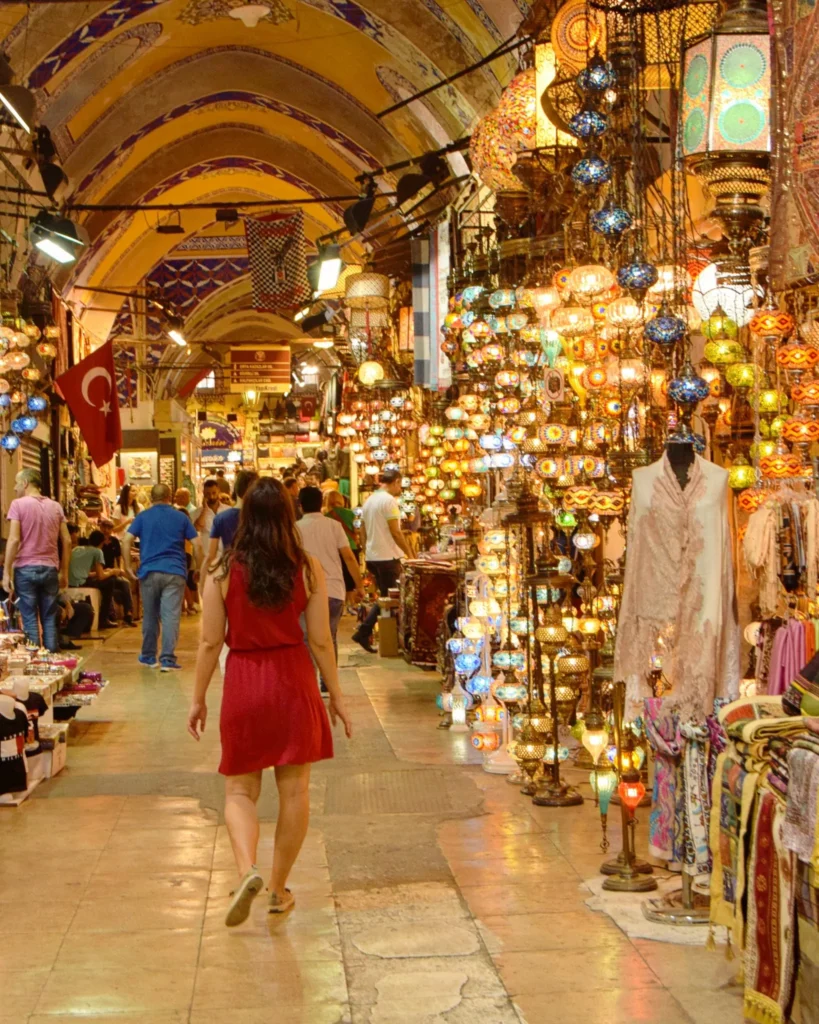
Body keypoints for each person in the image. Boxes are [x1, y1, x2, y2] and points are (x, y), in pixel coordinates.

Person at [187, 477, 352, 925]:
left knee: (240, 789)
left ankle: (247, 872)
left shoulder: (222, 571)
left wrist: (198, 698)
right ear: (287, 513)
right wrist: (336, 697)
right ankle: (278, 888)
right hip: (293, 680)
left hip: (244, 680)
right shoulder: (307, 568)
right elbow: (320, 641)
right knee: (294, 790)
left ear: (244, 514)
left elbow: (208, 643)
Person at [123, 484, 199, 671]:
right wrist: (198, 568)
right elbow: (197, 544)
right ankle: (167, 659)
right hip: (175, 572)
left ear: (151, 497)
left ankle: (149, 656)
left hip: (149, 572)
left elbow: (126, 540)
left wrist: (126, 566)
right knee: (170, 616)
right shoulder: (181, 517)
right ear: (170, 497)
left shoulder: (143, 517)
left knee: (150, 615)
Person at [297, 486, 364, 682]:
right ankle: (328, 681)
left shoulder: (295, 529)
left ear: (300, 506)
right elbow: (349, 558)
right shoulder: (334, 526)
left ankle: (310, 680)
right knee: (329, 636)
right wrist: (359, 585)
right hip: (333, 590)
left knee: (308, 638)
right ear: (321, 504)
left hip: (306, 592)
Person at [3, 469, 70, 652]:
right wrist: (64, 571)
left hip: (25, 569)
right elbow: (67, 540)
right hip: (50, 569)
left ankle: (35, 663)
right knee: (49, 617)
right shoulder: (56, 506)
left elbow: (14, 539)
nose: (16, 487)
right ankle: (52, 663)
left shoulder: (18, 505)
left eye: (17, 483)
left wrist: (7, 571)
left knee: (30, 618)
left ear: (25, 483)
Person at [352, 469, 412, 654]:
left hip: (373, 556)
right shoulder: (389, 501)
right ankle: (365, 631)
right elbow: (395, 532)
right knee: (390, 597)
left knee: (385, 597)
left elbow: (361, 529)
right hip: (387, 557)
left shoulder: (370, 500)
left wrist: (367, 548)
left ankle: (384, 636)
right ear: (395, 481)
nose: (400, 489)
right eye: (400, 485)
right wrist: (410, 553)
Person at [68, 527, 136, 629]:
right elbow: (101, 577)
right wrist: (113, 571)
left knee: (120, 583)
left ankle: (125, 614)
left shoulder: (76, 549)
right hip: (83, 582)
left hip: (72, 581)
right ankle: (104, 618)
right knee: (110, 582)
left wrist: (106, 571)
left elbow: (85, 573)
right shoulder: (97, 552)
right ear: (102, 542)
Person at [204, 470, 258, 576]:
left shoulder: (221, 518)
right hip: (258, 573)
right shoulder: (264, 517)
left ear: (236, 490)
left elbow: (211, 556)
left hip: (230, 572)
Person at [324, 490, 360, 602]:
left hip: (334, 550)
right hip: (351, 548)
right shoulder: (351, 513)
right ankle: (351, 605)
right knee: (350, 579)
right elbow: (357, 529)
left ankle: (342, 605)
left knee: (339, 577)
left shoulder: (326, 516)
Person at [193, 479, 231, 582]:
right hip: (208, 560)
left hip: (226, 559)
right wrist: (205, 509)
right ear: (204, 494)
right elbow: (197, 528)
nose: (211, 496)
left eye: (214, 493)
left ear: (219, 491)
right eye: (208, 494)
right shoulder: (198, 513)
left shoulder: (227, 510)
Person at [174, 488, 199, 615]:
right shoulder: (186, 525)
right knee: (182, 580)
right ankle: (185, 606)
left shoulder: (184, 525)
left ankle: (189, 604)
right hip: (185, 554)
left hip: (184, 554)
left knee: (182, 580)